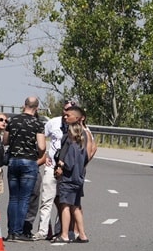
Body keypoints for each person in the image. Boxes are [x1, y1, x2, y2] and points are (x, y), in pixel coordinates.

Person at [5, 96, 47, 241]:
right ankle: (18, 231)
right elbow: (42, 146)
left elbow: (5, 140)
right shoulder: (37, 123)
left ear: (24, 105)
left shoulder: (13, 120)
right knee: (24, 198)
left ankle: (10, 230)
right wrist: (38, 153)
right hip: (29, 161)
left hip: (13, 161)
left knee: (13, 198)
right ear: (37, 108)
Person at [32, 101, 71, 241]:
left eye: (71, 110)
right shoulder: (53, 123)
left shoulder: (76, 127)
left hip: (68, 170)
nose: (67, 113)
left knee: (64, 202)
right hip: (51, 166)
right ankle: (43, 230)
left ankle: (62, 230)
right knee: (46, 199)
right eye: (66, 110)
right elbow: (41, 137)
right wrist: (44, 156)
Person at [54, 108, 94, 243]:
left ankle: (64, 234)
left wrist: (61, 164)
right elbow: (87, 157)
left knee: (65, 204)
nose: (65, 117)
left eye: (68, 115)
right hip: (78, 178)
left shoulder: (72, 146)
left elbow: (69, 163)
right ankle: (82, 234)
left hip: (69, 179)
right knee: (76, 206)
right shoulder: (83, 143)